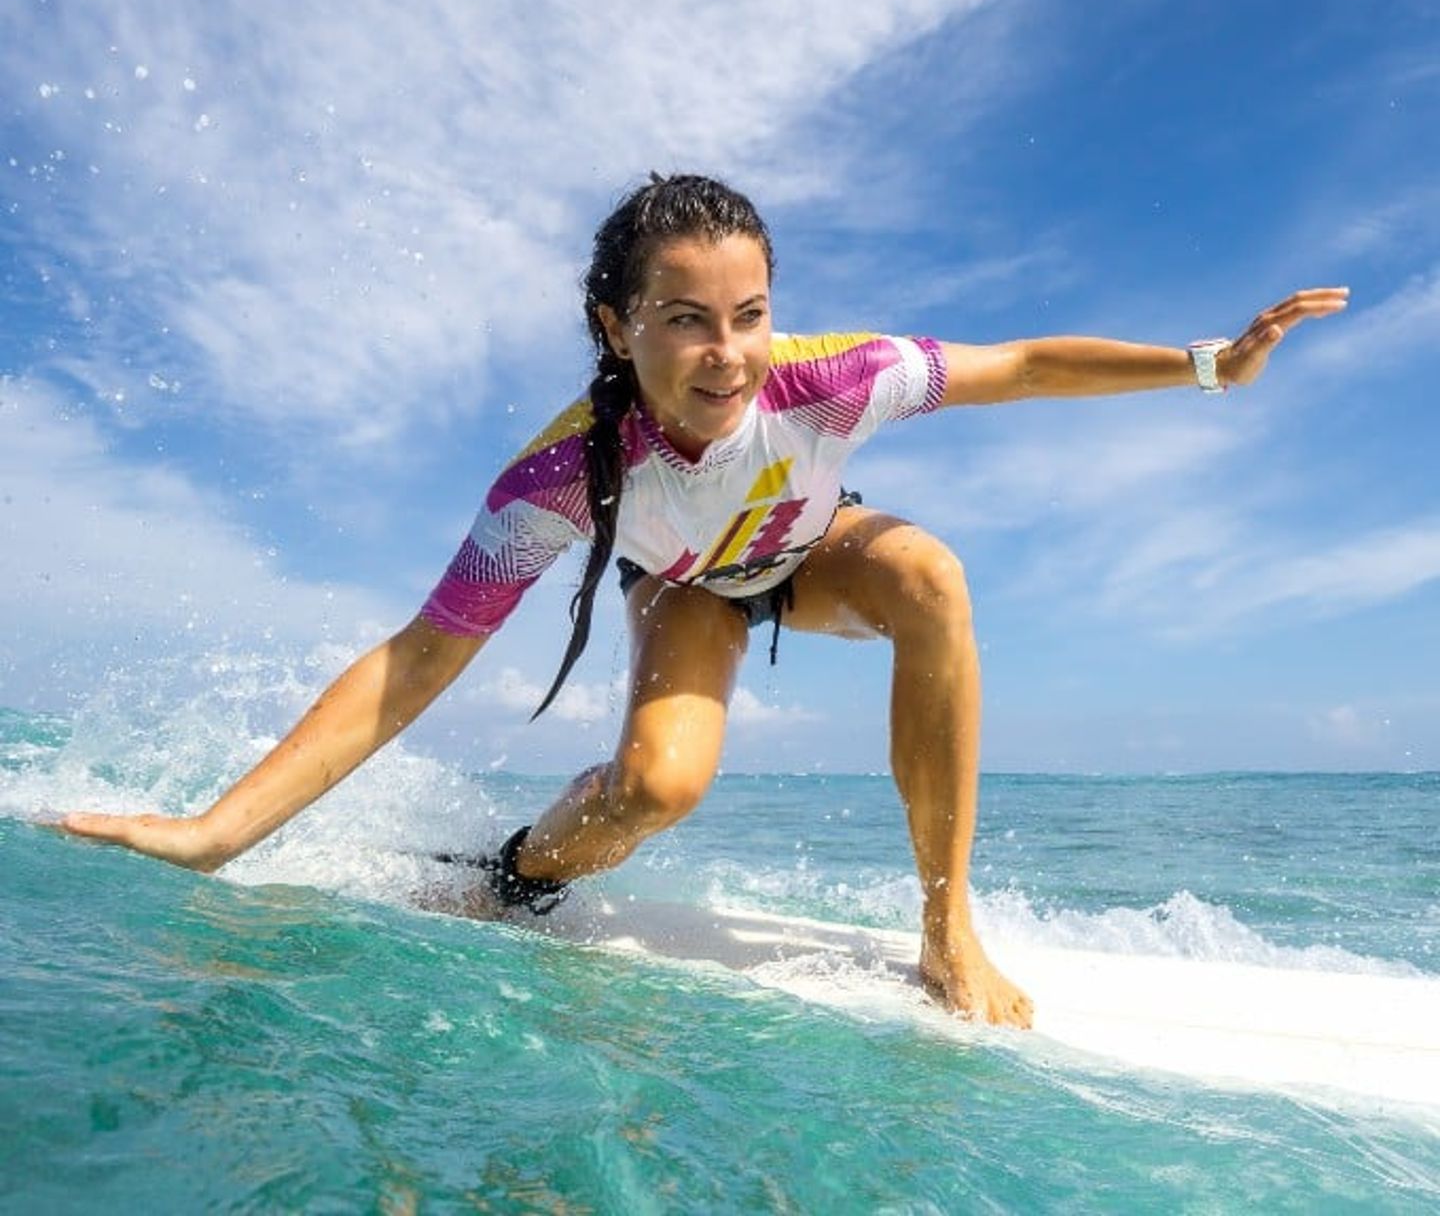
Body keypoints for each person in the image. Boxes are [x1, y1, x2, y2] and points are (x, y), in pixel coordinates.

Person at [60, 173, 1349, 1028]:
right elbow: (419, 659)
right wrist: (222, 832)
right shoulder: (566, 475)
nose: (723, 351)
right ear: (615, 325)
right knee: (660, 791)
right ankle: (511, 878)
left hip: (811, 548)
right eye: (683, 319)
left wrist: (1206, 366)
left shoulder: (835, 379)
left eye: (747, 314)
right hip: (685, 587)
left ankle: (948, 922)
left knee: (930, 574)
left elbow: (1016, 364)